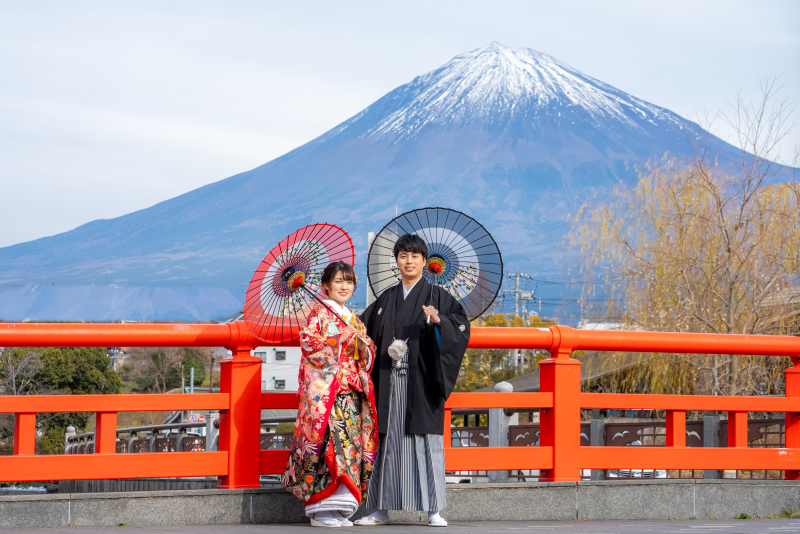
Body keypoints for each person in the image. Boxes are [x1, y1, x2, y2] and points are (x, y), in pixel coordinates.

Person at [355, 234, 470, 527]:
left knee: (424, 440)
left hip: (421, 378)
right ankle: (381, 508)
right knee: (386, 440)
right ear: (397, 261)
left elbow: (460, 325)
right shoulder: (386, 299)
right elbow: (363, 328)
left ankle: (433, 509)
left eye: (415, 256)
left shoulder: (438, 296)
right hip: (387, 378)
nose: (409, 261)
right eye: (403, 256)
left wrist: (439, 321)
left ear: (424, 261)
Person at [283, 261, 379, 528]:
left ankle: (338, 507)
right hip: (327, 396)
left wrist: (363, 344)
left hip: (350, 394)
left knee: (349, 449)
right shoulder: (318, 316)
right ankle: (319, 509)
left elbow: (367, 354)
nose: (344, 287)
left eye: (349, 282)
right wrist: (337, 340)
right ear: (325, 286)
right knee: (330, 448)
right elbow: (309, 344)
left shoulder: (353, 318)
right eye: (338, 281)